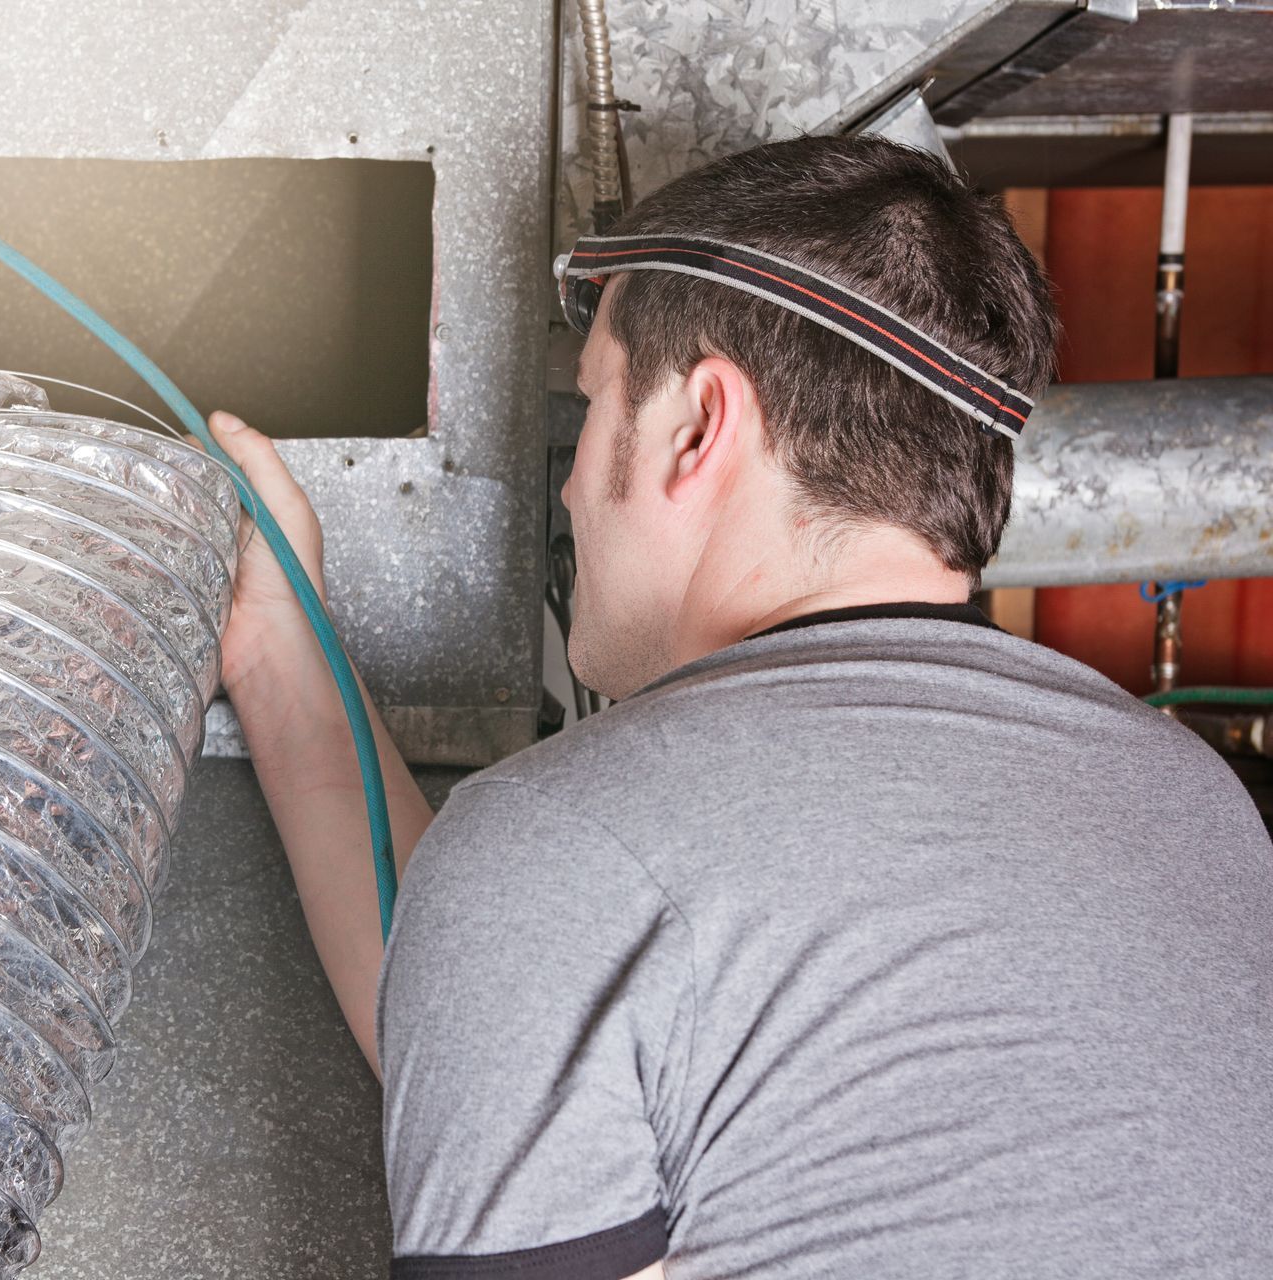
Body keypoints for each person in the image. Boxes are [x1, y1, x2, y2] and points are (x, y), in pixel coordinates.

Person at [207, 134, 1273, 1280]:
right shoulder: (1198, 813)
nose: (570, 484)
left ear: (700, 426)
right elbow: (531, 1041)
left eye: (594, 405)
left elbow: (580, 958)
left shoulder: (573, 852)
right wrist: (279, 643)